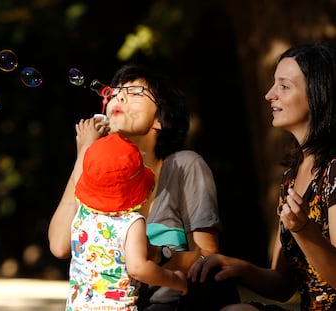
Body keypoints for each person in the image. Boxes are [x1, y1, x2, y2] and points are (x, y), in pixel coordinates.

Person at [49, 63, 239, 310]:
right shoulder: (99, 177)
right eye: (116, 92)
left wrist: (156, 262)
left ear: (161, 118)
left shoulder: (184, 166)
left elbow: (206, 256)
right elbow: (60, 245)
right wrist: (85, 157)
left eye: (136, 92)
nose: (120, 95)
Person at [188, 43, 336, 310]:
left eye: (284, 86)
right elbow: (283, 284)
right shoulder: (291, 177)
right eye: (273, 84)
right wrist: (237, 266)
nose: (269, 95)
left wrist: (304, 230)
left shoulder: (334, 170)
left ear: (318, 95)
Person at [66, 130, 187, 311]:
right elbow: (138, 267)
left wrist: (87, 141)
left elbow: (78, 175)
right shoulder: (131, 222)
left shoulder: (83, 209)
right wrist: (176, 280)